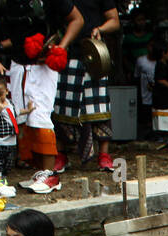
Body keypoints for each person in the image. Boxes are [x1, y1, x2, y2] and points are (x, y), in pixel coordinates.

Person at [0, 0, 80, 194]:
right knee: (22, 119)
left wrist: (62, 47)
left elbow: (77, 19)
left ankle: (50, 174)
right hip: (17, 63)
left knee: (40, 118)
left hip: (44, 65)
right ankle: (39, 172)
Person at [52, 0, 118, 169]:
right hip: (67, 53)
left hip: (94, 55)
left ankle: (104, 154)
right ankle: (61, 155)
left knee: (99, 108)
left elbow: (114, 21)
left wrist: (100, 29)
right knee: (62, 107)